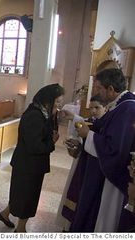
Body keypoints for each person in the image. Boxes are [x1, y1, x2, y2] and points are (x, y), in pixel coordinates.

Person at [71, 68, 135, 232]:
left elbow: (114, 149)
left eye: (99, 88)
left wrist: (88, 135)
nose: (96, 92)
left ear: (111, 89)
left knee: (106, 219)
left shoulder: (127, 109)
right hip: (104, 172)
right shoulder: (120, 105)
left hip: (114, 180)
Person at [0, 83, 64, 232]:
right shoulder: (35, 115)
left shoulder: (44, 113)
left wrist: (54, 116)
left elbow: (51, 131)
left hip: (31, 164)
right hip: (28, 164)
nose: (59, 105)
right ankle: (21, 229)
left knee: (21, 194)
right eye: (57, 102)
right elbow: (35, 146)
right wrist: (51, 143)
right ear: (48, 99)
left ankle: (4, 214)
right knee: (27, 198)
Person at [55, 95, 107, 231]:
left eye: (97, 108)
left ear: (106, 108)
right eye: (91, 108)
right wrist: (75, 143)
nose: (93, 111)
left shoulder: (107, 125)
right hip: (82, 162)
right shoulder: (92, 121)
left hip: (93, 168)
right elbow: (83, 127)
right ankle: (69, 223)